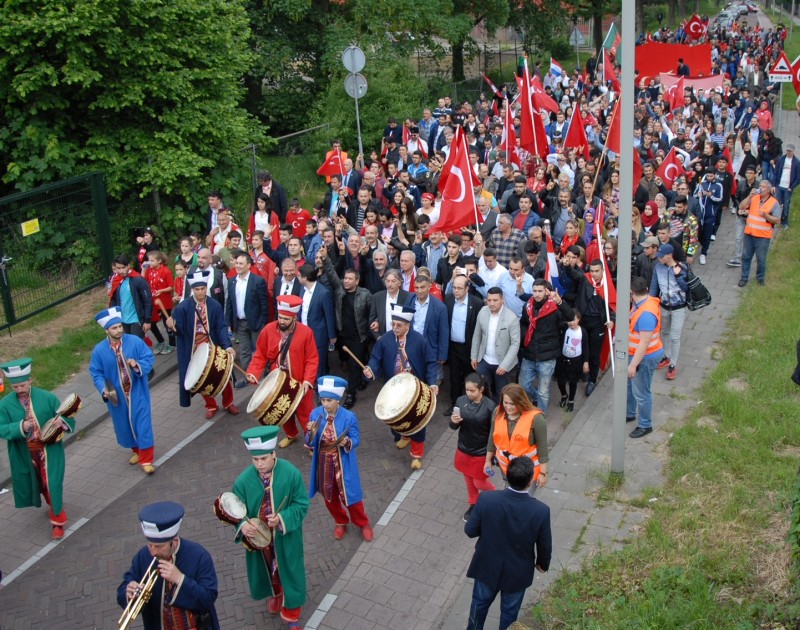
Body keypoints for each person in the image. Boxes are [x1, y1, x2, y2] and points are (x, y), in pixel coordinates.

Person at [233, 426, 308, 629]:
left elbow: (302, 504)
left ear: (274, 454)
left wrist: (282, 518)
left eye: (263, 458)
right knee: (268, 570)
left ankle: (292, 613)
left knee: (290, 570)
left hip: (285, 537)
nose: (259, 464)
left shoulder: (291, 473)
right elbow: (235, 512)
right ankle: (276, 593)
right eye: (255, 460)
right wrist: (243, 526)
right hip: (260, 541)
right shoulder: (243, 481)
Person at [464, 456, 552, 630]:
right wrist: (542, 564)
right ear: (529, 482)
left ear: (507, 475)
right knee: (509, 617)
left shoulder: (487, 500)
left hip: (486, 567)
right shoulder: (541, 511)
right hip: (517, 573)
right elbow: (544, 544)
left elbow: (470, 531)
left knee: (478, 609)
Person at [0, 357, 74, 541]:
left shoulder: (47, 397)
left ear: (30, 380)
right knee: (38, 483)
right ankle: (51, 502)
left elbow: (67, 416)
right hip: (24, 453)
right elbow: (1, 427)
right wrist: (19, 427)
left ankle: (57, 521)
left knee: (53, 483)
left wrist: (61, 422)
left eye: (22, 385)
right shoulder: (4, 404)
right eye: (15, 387)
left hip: (49, 450)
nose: (20, 390)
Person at [117, 501, 220, 629]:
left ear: (174, 541)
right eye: (150, 545)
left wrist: (180, 579)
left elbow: (208, 598)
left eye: (159, 546)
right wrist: (129, 592)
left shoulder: (199, 556)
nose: (153, 551)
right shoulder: (143, 556)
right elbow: (122, 590)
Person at [363, 304, 439, 470]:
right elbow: (375, 358)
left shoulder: (419, 340)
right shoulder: (385, 340)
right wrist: (370, 369)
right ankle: (403, 435)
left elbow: (430, 363)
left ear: (408, 326)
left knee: (417, 419)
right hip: (393, 387)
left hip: (415, 388)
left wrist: (432, 382)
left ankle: (417, 455)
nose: (395, 328)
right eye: (393, 324)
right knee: (394, 417)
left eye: (399, 325)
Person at [304, 376, 374, 541]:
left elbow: (356, 438)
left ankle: (363, 523)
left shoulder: (349, 417)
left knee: (352, 497)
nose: (325, 404)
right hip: (323, 462)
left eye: (329, 400)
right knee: (329, 498)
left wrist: (347, 441)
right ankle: (340, 521)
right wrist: (310, 432)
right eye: (323, 400)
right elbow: (309, 442)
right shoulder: (315, 414)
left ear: (338, 400)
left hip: (343, 462)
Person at [246, 295, 319, 448]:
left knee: (306, 414)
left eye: (286, 319)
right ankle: (291, 434)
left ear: (294, 318)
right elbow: (260, 353)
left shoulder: (306, 333)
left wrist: (308, 381)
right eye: (280, 317)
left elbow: (312, 359)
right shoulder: (268, 330)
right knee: (283, 414)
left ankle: (312, 442)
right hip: (278, 383)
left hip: (300, 382)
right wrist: (253, 371)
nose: (282, 321)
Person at [90, 307, 156, 473]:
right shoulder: (99, 351)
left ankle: (146, 459)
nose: (119, 330)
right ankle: (137, 451)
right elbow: (96, 372)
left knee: (142, 424)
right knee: (124, 425)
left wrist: (137, 365)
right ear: (107, 330)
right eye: (114, 328)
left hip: (137, 392)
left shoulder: (134, 341)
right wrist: (103, 389)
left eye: (120, 326)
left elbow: (149, 357)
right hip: (117, 396)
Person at [167, 270, 239, 419]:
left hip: (213, 346)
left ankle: (228, 402)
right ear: (192, 290)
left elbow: (221, 327)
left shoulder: (214, 305)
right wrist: (172, 326)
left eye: (203, 289)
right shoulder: (182, 308)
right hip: (194, 349)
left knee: (223, 375)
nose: (200, 292)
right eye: (197, 289)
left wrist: (228, 346)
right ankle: (211, 405)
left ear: (206, 288)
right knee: (201, 379)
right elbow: (178, 331)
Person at [519, 279, 575, 413]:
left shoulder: (555, 307)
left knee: (543, 391)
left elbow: (570, 316)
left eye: (540, 291)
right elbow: (523, 324)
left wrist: (560, 302)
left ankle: (540, 417)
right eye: (534, 291)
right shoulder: (527, 306)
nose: (537, 294)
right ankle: (535, 398)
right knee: (523, 385)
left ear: (546, 291)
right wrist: (524, 337)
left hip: (547, 356)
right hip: (529, 353)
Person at [450, 373, 496, 522]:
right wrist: (454, 421)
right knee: (468, 479)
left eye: (472, 391)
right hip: (464, 449)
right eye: (467, 390)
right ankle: (473, 504)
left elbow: (493, 434)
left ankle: (500, 497)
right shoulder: (460, 401)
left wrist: (491, 456)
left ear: (481, 389)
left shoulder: (490, 406)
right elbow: (453, 426)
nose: (468, 394)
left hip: (481, 452)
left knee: (479, 482)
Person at [484, 384, 549, 487]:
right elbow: (492, 438)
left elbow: (543, 447)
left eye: (513, 404)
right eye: (506, 403)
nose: (508, 407)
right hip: (506, 469)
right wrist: (488, 460)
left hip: (528, 473)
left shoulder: (536, 419)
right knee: (510, 494)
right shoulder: (498, 412)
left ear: (521, 402)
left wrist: (543, 473)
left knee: (524, 500)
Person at [627, 276, 664, 438]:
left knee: (642, 392)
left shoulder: (646, 314)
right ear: (646, 290)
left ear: (631, 292)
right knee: (631, 387)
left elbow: (644, 343)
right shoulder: (643, 304)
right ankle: (629, 413)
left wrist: (633, 364)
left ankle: (645, 424)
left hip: (644, 357)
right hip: (638, 355)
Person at [225, 252, 269, 384]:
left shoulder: (258, 281)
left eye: (241, 263)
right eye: (236, 263)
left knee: (258, 350)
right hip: (240, 323)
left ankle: (260, 375)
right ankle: (247, 375)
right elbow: (229, 303)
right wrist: (228, 322)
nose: (237, 266)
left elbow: (264, 304)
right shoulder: (231, 281)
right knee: (244, 351)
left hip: (256, 322)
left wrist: (263, 323)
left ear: (248, 265)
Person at [470, 288, 520, 400]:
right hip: (484, 360)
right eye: (489, 300)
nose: (491, 303)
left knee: (501, 394)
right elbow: (477, 335)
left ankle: (499, 416)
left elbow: (515, 344)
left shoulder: (511, 318)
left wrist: (505, 365)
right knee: (482, 391)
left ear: (503, 300)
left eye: (495, 300)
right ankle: (484, 416)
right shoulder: (483, 311)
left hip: (502, 364)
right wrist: (474, 356)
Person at [444, 274, 483, 415]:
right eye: (454, 287)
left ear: (467, 288)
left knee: (470, 378)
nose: (456, 291)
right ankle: (455, 405)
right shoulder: (448, 300)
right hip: (453, 347)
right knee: (454, 377)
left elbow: (480, 329)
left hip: (469, 348)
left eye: (459, 288)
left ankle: (470, 405)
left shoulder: (477, 303)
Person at [649, 244, 689, 381]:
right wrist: (651, 303)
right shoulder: (658, 268)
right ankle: (666, 356)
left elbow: (686, 287)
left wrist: (678, 276)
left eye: (661, 256)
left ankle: (673, 364)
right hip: (664, 306)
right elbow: (654, 287)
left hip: (679, 307)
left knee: (675, 336)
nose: (659, 258)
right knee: (664, 332)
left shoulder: (682, 268)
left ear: (669, 255)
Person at [738, 179, 781, 287]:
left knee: (761, 259)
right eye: (760, 186)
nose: (761, 188)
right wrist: (749, 196)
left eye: (764, 187)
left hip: (763, 236)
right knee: (746, 257)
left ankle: (760, 279)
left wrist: (766, 215)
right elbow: (742, 207)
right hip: (749, 234)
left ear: (769, 190)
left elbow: (777, 220)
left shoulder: (774, 203)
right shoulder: (754, 198)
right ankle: (744, 278)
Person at [108, 254, 153, 340]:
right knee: (128, 344)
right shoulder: (117, 281)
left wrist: (147, 320)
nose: (121, 271)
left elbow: (147, 300)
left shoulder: (138, 279)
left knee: (136, 344)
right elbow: (114, 299)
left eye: (123, 267)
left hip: (136, 319)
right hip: (123, 320)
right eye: (118, 268)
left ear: (128, 265)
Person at [556, 312, 588, 412]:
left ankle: (571, 400)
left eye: (574, 320)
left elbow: (586, 347)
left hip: (576, 361)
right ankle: (564, 395)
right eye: (569, 320)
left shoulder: (582, 332)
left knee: (573, 382)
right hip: (563, 359)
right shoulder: (565, 329)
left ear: (578, 319)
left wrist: (585, 362)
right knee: (560, 380)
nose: (571, 323)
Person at [773, 143, 799, 228]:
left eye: (789, 151)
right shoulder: (781, 159)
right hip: (779, 186)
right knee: (776, 203)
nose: (788, 152)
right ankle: (774, 220)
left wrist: (791, 187)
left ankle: (784, 222)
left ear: (793, 151)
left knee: (786, 204)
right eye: (787, 150)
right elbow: (776, 172)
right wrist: (775, 185)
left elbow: (798, 178)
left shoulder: (797, 162)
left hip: (788, 187)